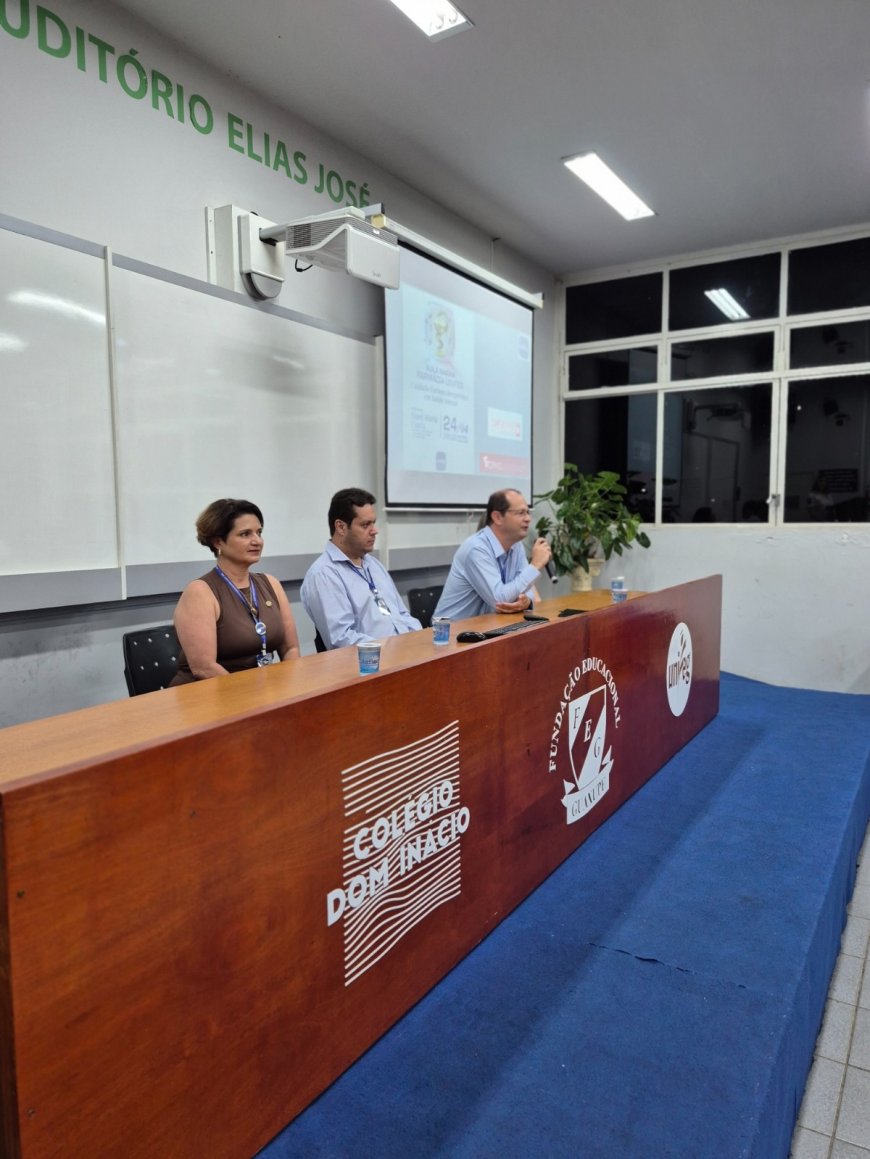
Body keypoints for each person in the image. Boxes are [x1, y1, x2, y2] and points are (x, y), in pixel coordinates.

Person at [170, 498, 300, 684]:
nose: (257, 541)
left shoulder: (271, 583)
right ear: (218, 542)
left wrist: (289, 690)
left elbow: (291, 649)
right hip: (210, 696)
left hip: (262, 693)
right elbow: (204, 668)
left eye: (259, 532)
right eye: (245, 534)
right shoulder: (200, 592)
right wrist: (252, 698)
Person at [301, 488, 422, 649]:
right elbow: (341, 640)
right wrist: (394, 649)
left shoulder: (374, 565)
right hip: (370, 665)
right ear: (341, 527)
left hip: (403, 655)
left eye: (373, 523)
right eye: (365, 525)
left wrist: (419, 640)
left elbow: (402, 614)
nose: (374, 531)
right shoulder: (324, 574)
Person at [433, 489, 552, 621]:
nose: (528, 519)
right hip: (450, 634)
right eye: (520, 513)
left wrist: (526, 602)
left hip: (489, 627)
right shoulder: (476, 549)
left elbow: (527, 592)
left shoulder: (516, 545)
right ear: (497, 517)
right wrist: (535, 565)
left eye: (528, 512)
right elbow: (500, 600)